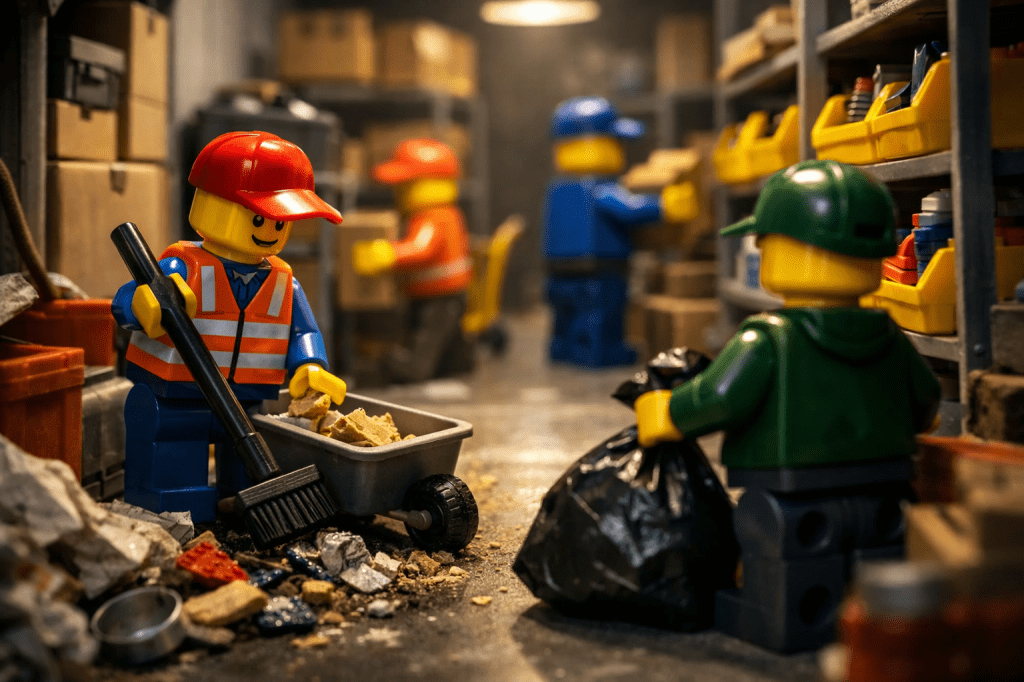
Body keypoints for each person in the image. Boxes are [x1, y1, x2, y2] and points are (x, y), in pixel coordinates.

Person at [636, 160, 941, 651]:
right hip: (884, 486)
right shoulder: (889, 336)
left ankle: (793, 621)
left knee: (784, 559)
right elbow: (926, 403)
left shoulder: (767, 338)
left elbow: (717, 398)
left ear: (780, 249)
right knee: (877, 553)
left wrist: (667, 413)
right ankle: (872, 624)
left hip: (790, 494)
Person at [112, 131, 346, 522]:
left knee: (247, 480)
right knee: (176, 471)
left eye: (281, 222)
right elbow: (123, 301)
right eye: (259, 218)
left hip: (247, 401)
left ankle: (240, 513)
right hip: (179, 396)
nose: (269, 231)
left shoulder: (284, 282)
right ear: (212, 206)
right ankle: (178, 514)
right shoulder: (183, 268)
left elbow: (303, 331)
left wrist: (309, 364)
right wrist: (141, 303)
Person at [543, 96, 695, 367]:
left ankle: (561, 349)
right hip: (600, 270)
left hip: (558, 271)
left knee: (564, 314)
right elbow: (630, 209)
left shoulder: (558, 191)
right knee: (602, 315)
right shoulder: (600, 188)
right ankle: (601, 352)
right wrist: (665, 206)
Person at [352, 138, 474, 383]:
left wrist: (385, 254)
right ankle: (454, 363)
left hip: (441, 297)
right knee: (440, 335)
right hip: (432, 295)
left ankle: (415, 368)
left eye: (405, 186)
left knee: (428, 338)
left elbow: (421, 248)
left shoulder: (435, 217)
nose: (399, 192)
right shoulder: (433, 215)